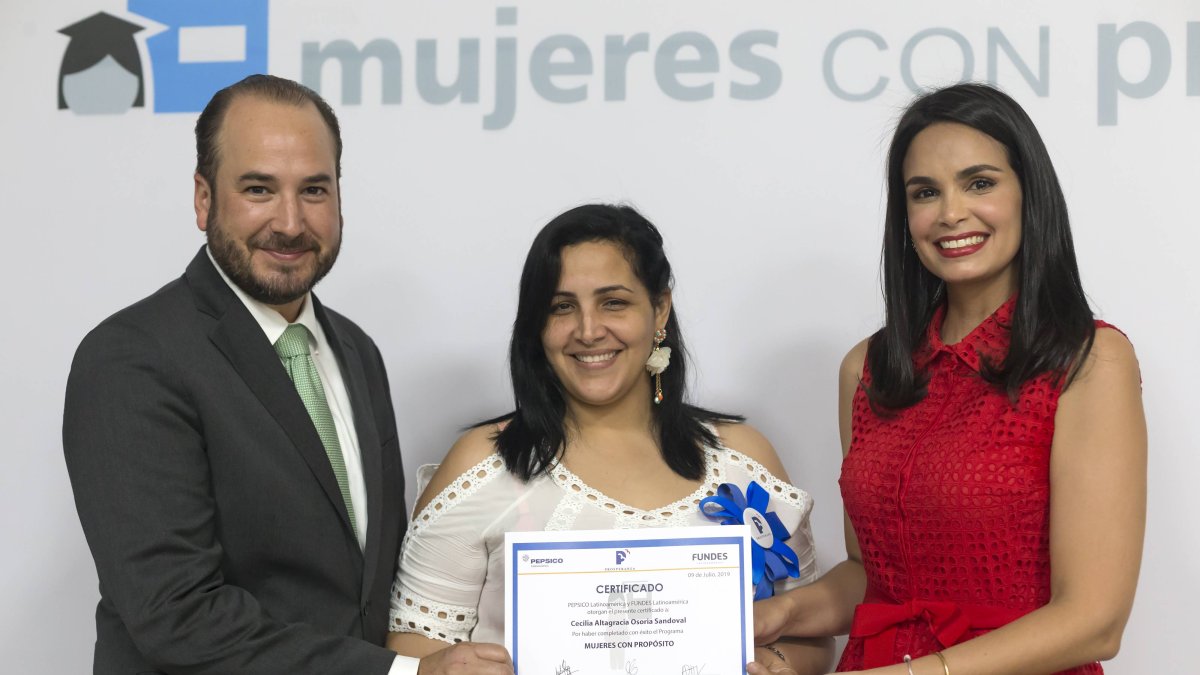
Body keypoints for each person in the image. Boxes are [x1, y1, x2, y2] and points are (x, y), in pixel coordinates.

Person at [63, 74, 511, 675]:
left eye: (315, 190)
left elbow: (363, 590)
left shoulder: (357, 352)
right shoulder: (132, 358)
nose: (291, 222)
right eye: (258, 188)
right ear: (203, 199)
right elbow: (176, 614)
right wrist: (405, 673)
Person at [748, 83, 1146, 675]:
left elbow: (1095, 620)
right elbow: (873, 579)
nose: (951, 212)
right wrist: (779, 616)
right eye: (925, 192)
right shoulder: (868, 369)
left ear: (1028, 195)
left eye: (979, 183)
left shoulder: (1088, 361)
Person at [384, 204, 834, 673]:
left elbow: (810, 633)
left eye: (613, 302)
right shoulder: (482, 464)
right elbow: (412, 647)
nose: (588, 330)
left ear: (660, 308)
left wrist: (779, 664)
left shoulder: (744, 458)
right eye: (562, 307)